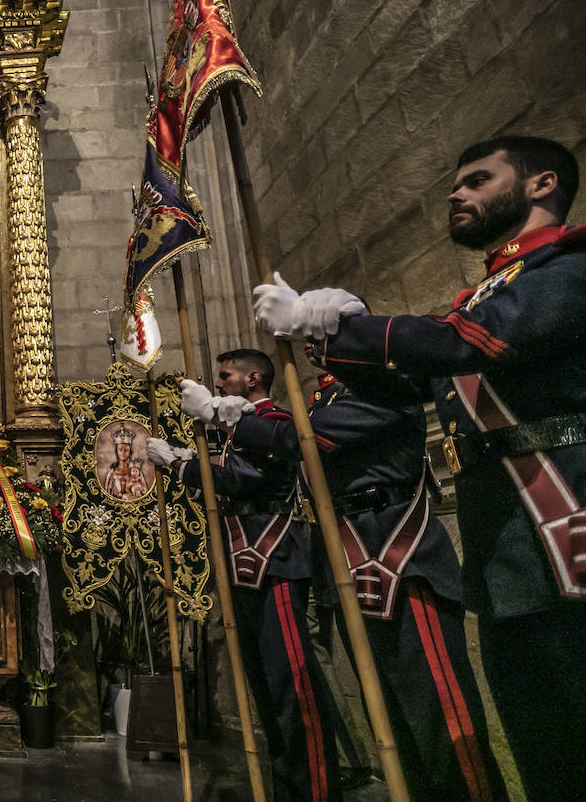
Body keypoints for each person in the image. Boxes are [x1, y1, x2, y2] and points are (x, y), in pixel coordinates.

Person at [253, 135, 584, 802]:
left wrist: (348, 325)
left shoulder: (565, 270)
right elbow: (411, 389)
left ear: (542, 184)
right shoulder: (485, 294)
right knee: (543, 741)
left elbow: (476, 342)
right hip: (509, 547)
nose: (456, 194)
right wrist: (325, 339)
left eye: (477, 180)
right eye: (456, 183)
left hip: (563, 521)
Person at [237, 356, 505, 801]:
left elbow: (306, 439)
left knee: (442, 722)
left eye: (319, 333)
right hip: (346, 562)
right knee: (393, 723)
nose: (309, 349)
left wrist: (228, 417)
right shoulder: (328, 396)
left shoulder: (384, 383)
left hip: (398, 560)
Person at [146, 349, 342, 802]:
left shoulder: (270, 419)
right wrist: (187, 459)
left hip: (274, 558)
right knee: (267, 689)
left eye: (226, 376)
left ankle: (315, 791)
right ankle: (287, 789)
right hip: (246, 559)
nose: (220, 384)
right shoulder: (242, 427)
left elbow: (241, 480)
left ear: (253, 378)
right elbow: (230, 473)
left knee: (291, 685)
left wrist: (181, 465)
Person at [100, 423, 149, 499]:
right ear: (116, 451)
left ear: (130, 451)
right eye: (120, 450)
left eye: (126, 450)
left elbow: (144, 492)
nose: (123, 453)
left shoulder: (135, 471)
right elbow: (107, 495)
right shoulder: (112, 473)